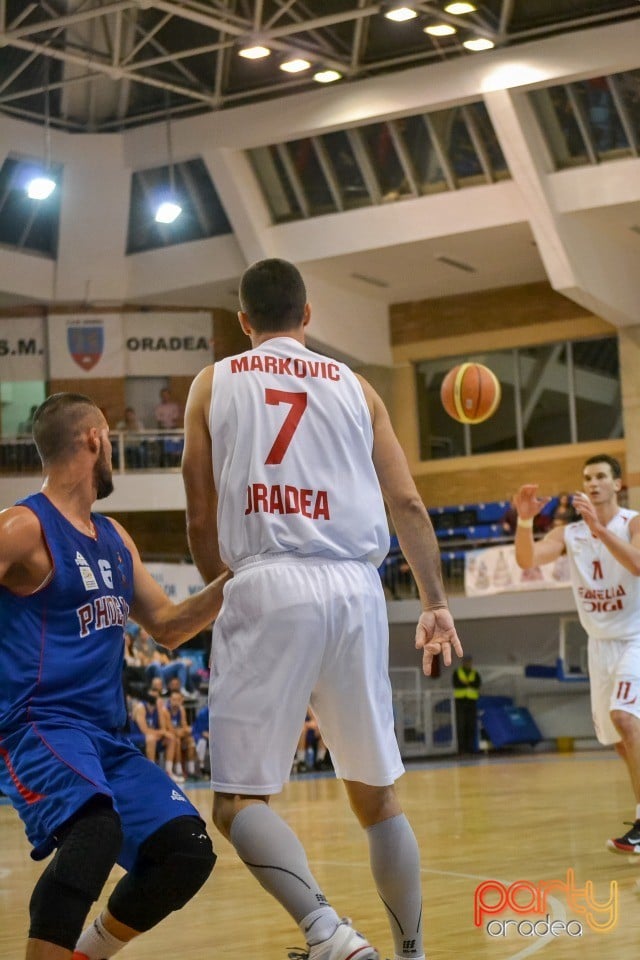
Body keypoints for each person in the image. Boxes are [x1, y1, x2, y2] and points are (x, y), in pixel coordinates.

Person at [182, 257, 463, 960]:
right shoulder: (357, 386)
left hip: (268, 578)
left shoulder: (213, 382)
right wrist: (435, 602)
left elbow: (198, 512)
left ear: (243, 322)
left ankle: (327, 934)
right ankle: (411, 951)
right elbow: (407, 503)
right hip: (357, 586)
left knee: (238, 801)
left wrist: (228, 586)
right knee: (377, 796)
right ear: (308, 316)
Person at [0, 392, 228, 960]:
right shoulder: (23, 527)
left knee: (185, 852)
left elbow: (170, 627)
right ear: (95, 438)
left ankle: (83, 953)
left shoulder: (116, 540)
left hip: (109, 739)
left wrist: (243, 578)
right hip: (38, 727)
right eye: (109, 443)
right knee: (94, 831)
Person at [514, 454, 640, 855]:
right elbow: (526, 559)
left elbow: (637, 564)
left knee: (625, 719)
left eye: (602, 476)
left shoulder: (632, 522)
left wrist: (600, 530)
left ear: (617, 484)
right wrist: (523, 520)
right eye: (588, 477)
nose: (594, 483)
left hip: (636, 637)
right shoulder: (570, 534)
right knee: (620, 741)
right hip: (599, 645)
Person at [452, 655, 481, 754]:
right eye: (466, 662)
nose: (468, 663)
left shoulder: (475, 673)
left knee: (471, 725)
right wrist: (469, 683)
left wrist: (465, 683)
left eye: (469, 662)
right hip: (460, 702)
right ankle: (461, 748)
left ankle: (470, 748)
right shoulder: (457, 673)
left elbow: (477, 684)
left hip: (471, 702)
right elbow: (456, 684)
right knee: (461, 725)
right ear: (463, 662)